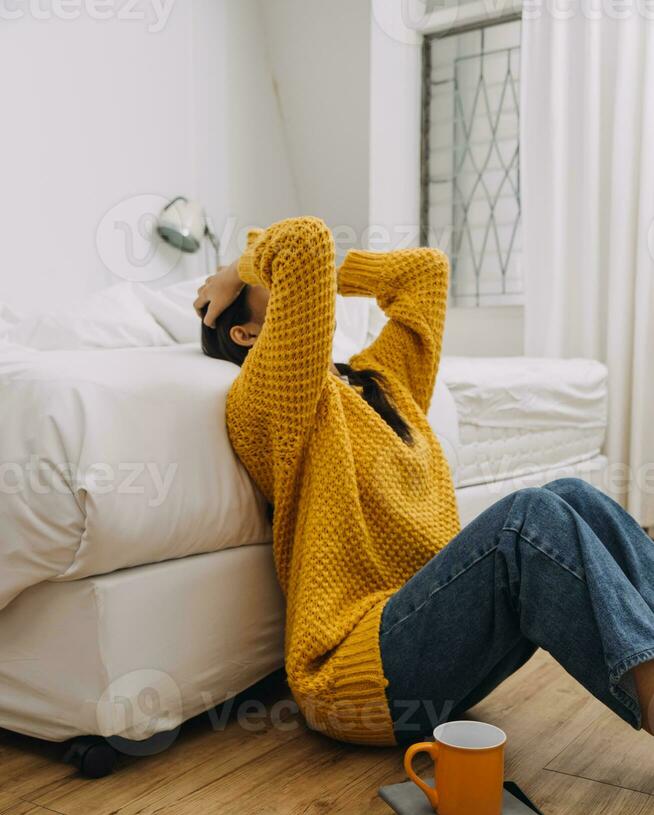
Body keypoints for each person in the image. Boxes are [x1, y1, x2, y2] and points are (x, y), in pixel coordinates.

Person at [195, 216, 654, 746]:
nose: (278, 277)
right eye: (263, 284)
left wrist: (265, 274)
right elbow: (303, 246)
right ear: (246, 333)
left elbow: (424, 273)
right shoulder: (272, 402)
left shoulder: (381, 380)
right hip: (355, 675)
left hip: (429, 633)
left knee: (572, 496)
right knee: (527, 519)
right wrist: (237, 269)